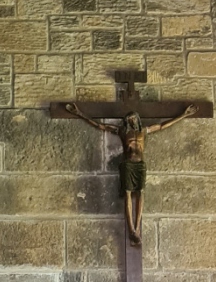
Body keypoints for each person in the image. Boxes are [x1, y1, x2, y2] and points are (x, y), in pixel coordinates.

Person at [63, 103, 194, 244]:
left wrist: (184, 115)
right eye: (129, 119)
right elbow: (101, 126)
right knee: (128, 193)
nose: (131, 120)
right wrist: (80, 114)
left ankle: (137, 228)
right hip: (128, 165)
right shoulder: (122, 131)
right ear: (127, 121)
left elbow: (163, 126)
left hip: (140, 166)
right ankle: (131, 228)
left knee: (141, 193)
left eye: (133, 118)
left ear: (137, 119)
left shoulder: (144, 131)